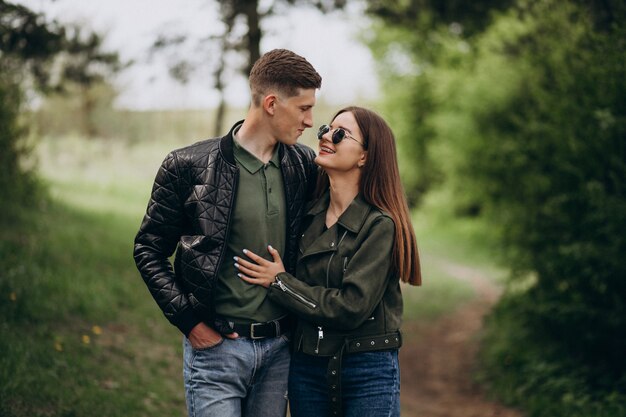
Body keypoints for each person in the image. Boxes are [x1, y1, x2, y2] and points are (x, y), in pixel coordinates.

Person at [133, 49, 322, 417]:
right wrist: (190, 323)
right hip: (217, 351)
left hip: (281, 350)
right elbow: (148, 249)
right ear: (271, 103)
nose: (311, 121)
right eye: (303, 108)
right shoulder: (187, 165)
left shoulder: (304, 165)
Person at [235, 106, 422, 417]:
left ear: (365, 156)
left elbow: (351, 307)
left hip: (367, 368)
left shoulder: (380, 225)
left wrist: (280, 282)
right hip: (307, 365)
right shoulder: (305, 213)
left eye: (340, 134)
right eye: (325, 128)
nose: (325, 136)